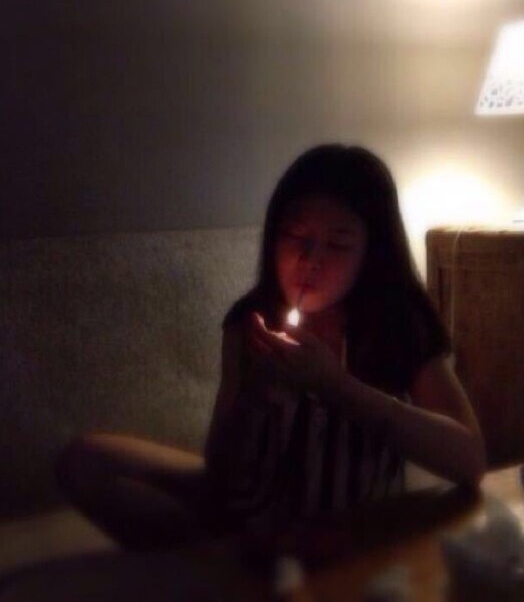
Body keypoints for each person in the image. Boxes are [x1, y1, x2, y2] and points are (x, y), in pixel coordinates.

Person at [55, 144, 486, 551]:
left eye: (337, 244)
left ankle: (234, 558)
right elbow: (222, 472)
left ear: (371, 253)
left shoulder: (397, 324)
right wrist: (252, 399)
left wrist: (337, 387)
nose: (310, 259)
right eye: (296, 235)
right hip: (250, 513)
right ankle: (223, 555)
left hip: (349, 529)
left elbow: (469, 460)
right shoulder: (250, 323)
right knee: (83, 462)